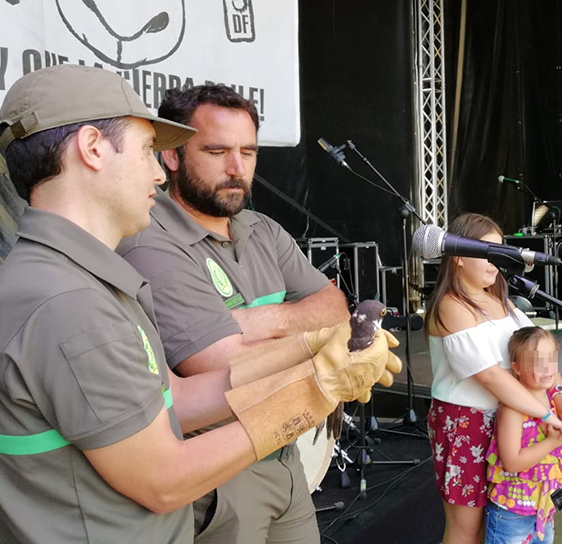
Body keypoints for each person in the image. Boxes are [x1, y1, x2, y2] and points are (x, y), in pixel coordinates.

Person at [0, 65, 400, 543]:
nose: (156, 170)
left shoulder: (82, 277)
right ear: (92, 147)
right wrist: (316, 390)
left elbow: (179, 399)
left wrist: (309, 348)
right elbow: (164, 481)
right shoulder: (68, 301)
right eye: (147, 150)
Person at [116, 84, 351, 543]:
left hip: (287, 451)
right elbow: (221, 363)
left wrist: (255, 321)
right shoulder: (149, 238)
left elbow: (335, 308)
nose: (237, 168)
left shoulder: (263, 228)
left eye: (248, 151)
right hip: (220, 471)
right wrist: (300, 329)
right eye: (217, 150)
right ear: (171, 157)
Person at [425, 213, 562, 544]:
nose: (497, 259)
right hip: (466, 425)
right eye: (487, 250)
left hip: (514, 419)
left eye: (500, 250)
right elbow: (491, 377)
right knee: (467, 528)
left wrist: (560, 393)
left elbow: (535, 351)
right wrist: (546, 413)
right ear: (458, 255)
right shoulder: (451, 306)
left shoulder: (502, 300)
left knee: (506, 519)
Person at [485, 326, 562, 544]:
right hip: (511, 514)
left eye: (551, 358)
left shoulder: (553, 402)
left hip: (543, 510)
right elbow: (512, 462)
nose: (546, 368)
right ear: (516, 367)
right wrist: (553, 441)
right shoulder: (512, 409)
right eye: (536, 361)